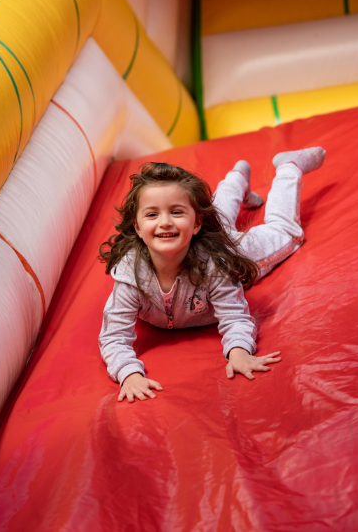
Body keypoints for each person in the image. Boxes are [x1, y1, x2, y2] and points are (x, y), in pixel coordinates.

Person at [98, 147, 325, 402]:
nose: (164, 222)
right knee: (211, 217)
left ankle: (289, 167)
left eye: (175, 212)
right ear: (137, 227)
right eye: (152, 214)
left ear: (197, 224)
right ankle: (237, 178)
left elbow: (235, 316)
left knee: (286, 234)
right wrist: (129, 374)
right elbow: (114, 337)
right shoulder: (132, 276)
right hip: (198, 236)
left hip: (229, 250)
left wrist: (238, 352)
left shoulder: (216, 265)